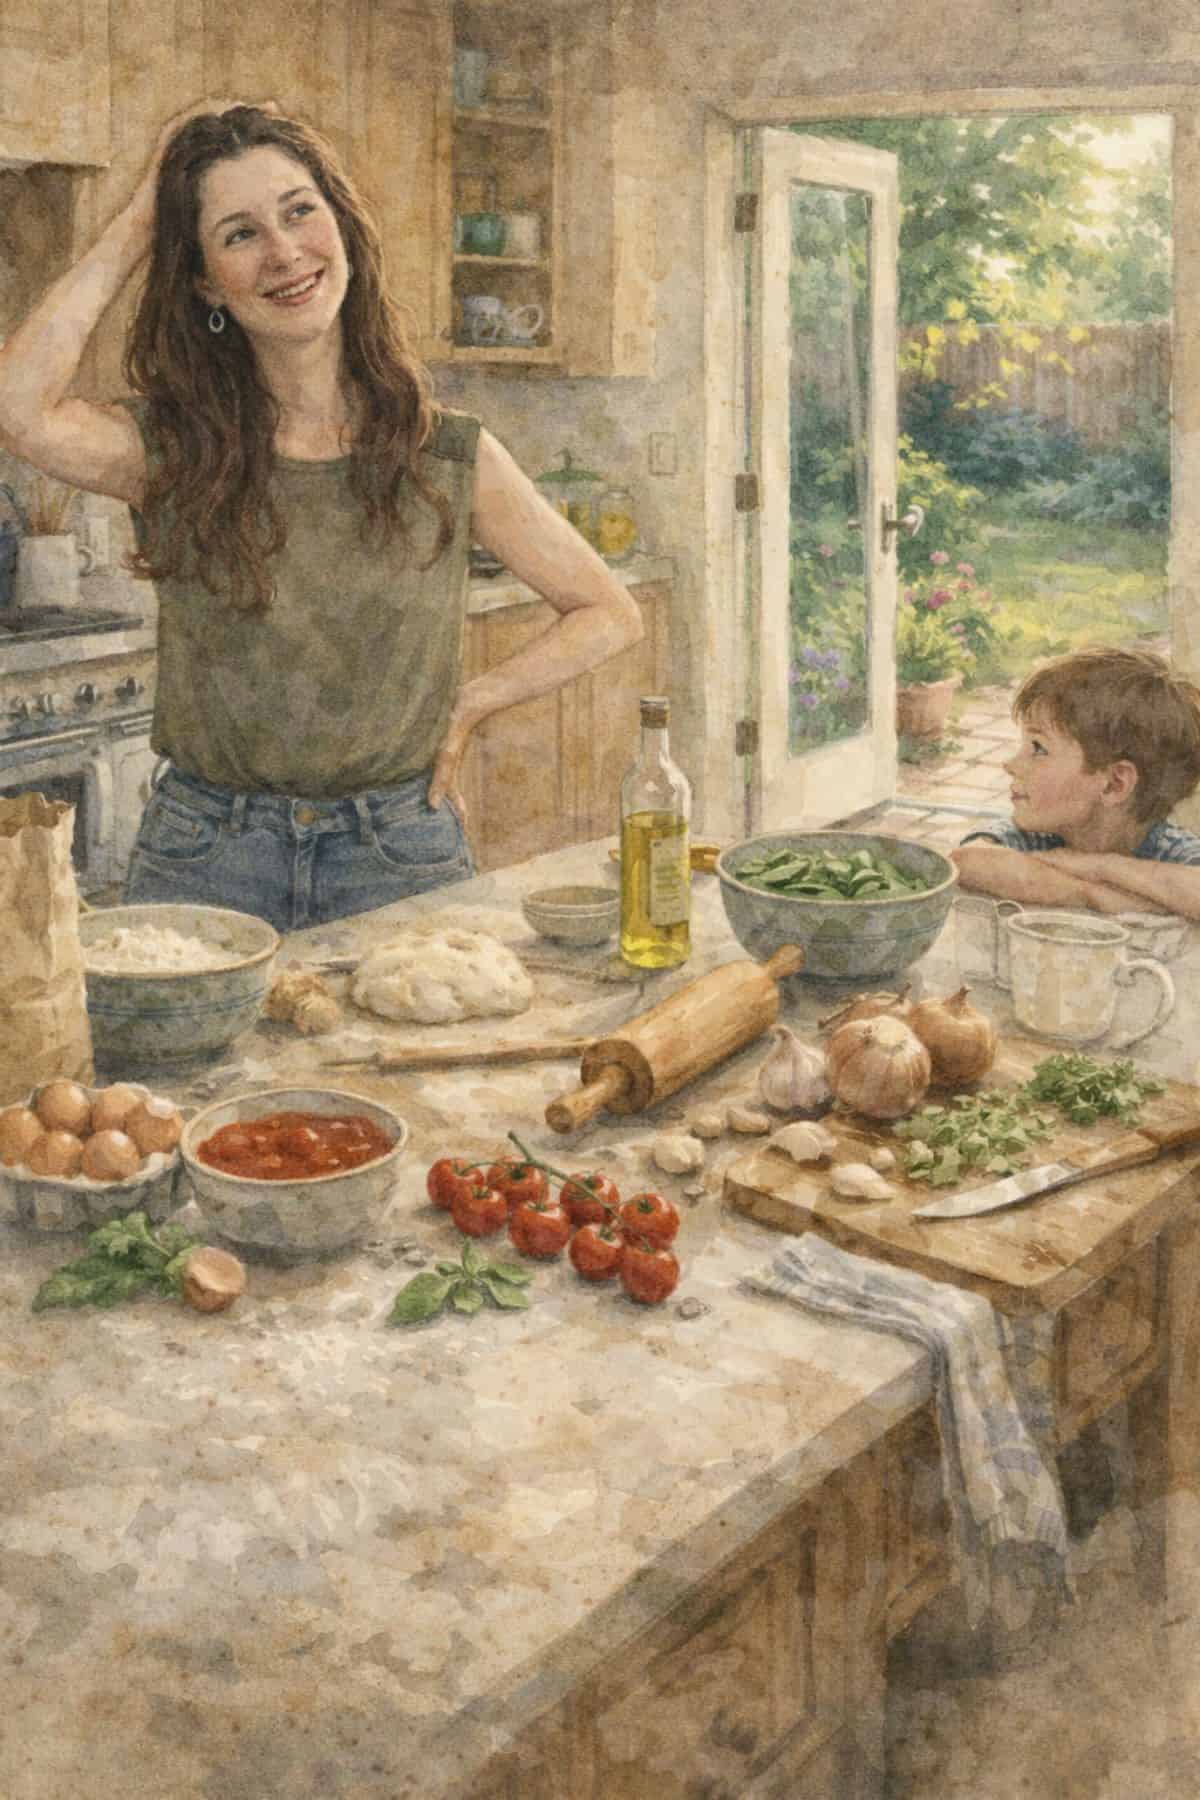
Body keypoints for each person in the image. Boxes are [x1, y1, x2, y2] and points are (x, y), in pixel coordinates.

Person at [0, 101, 643, 933]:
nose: (285, 252)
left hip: (399, 851)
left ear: (341, 224)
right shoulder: (172, 449)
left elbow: (608, 611)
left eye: (300, 211)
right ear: (204, 281)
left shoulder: (445, 452)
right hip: (204, 854)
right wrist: (139, 216)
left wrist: (473, 700)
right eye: (238, 235)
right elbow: (16, 408)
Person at [952, 646, 1200, 920]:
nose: (1010, 765)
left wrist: (1098, 866)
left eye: (1038, 749)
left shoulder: (1170, 848)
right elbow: (967, 860)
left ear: (1114, 784)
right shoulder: (1038, 835)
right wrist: (1091, 893)